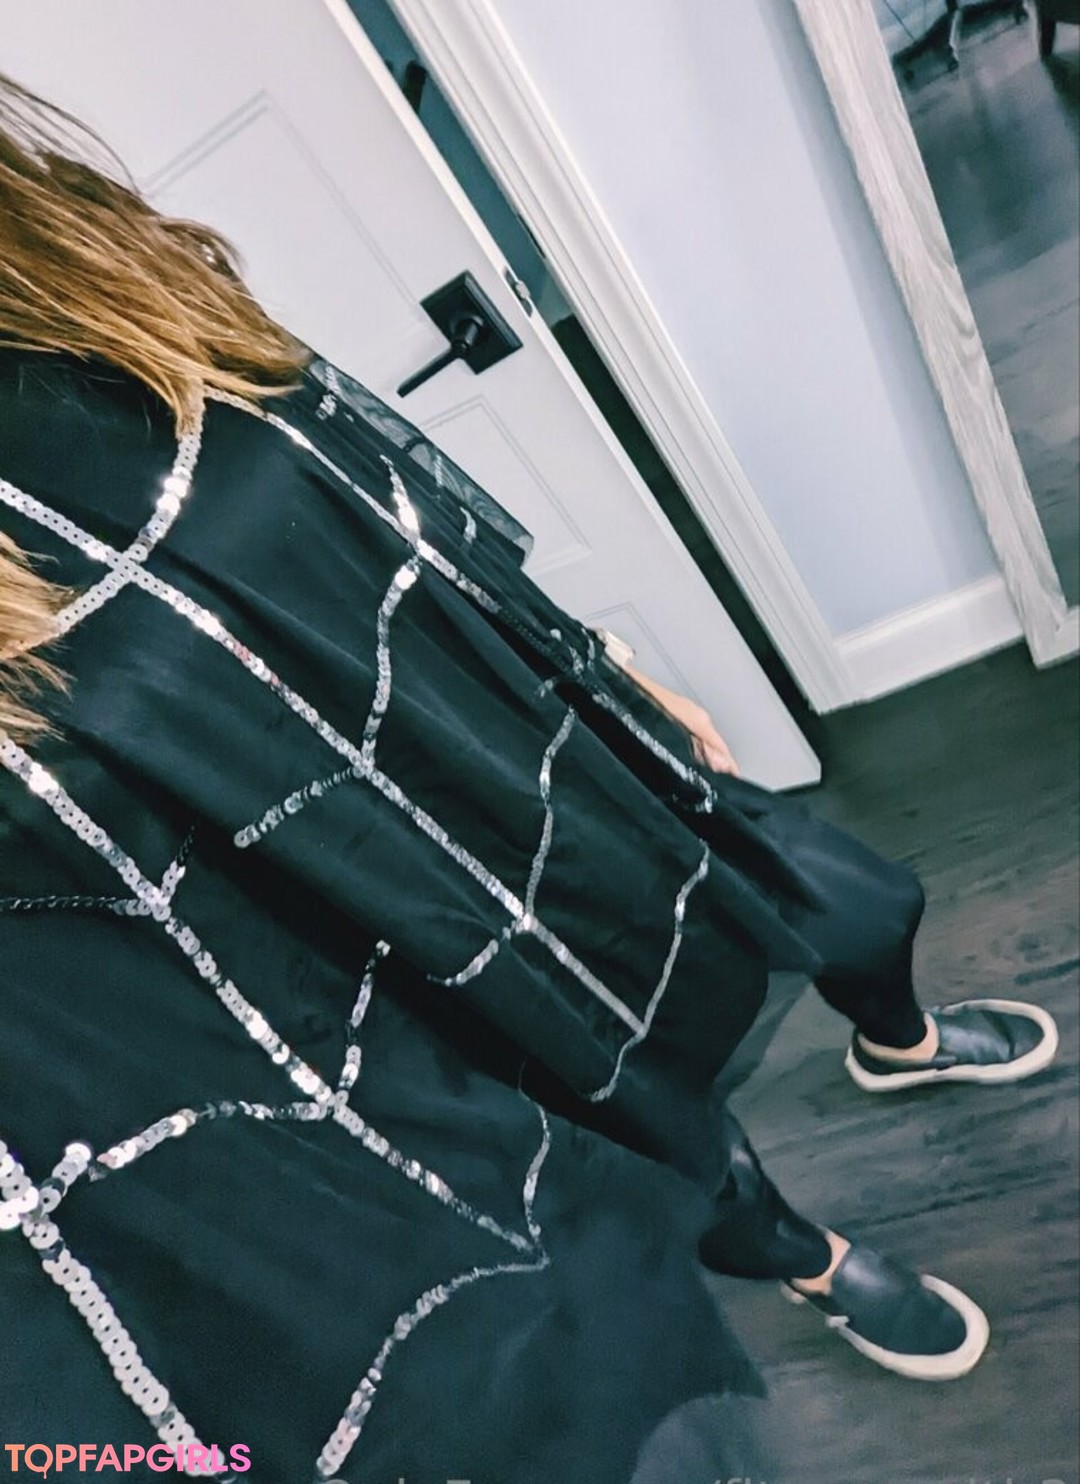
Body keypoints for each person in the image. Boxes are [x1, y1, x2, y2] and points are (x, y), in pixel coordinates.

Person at [0, 74, 1059, 1483]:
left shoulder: (81, 266)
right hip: (370, 914)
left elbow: (389, 508)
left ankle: (897, 1035)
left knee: (838, 897)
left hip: (527, 746)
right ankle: (805, 1254)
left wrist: (607, 666)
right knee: (650, 1117)